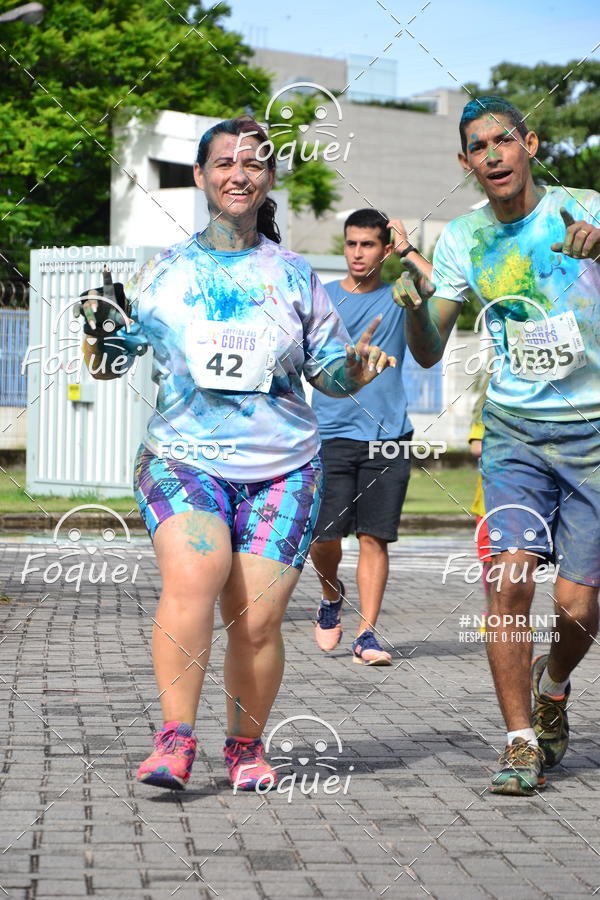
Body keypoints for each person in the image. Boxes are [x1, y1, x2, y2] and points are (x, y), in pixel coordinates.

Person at [77, 116, 395, 792]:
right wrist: (99, 338)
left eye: (253, 163)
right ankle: (175, 740)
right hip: (182, 457)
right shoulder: (164, 272)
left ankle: (245, 747)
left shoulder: (295, 275)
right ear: (201, 176)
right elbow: (109, 363)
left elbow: (328, 373)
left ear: (269, 177)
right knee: (196, 574)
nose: (238, 174)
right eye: (224, 162)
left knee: (257, 619)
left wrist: (357, 370)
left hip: (283, 467)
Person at [393, 95, 600, 795]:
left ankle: (554, 683)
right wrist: (414, 310)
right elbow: (429, 350)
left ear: (529, 145)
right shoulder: (463, 238)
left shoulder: (583, 208)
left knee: (578, 608)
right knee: (509, 583)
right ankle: (518, 742)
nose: (493, 155)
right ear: (466, 162)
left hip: (593, 434)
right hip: (514, 432)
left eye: (503, 140)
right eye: (478, 147)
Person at [310, 208, 431, 664]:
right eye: (351, 243)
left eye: (368, 244)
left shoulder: (400, 296)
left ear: (383, 250)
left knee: (373, 537)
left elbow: (440, 284)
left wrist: (407, 248)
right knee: (323, 539)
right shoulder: (322, 298)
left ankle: (367, 635)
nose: (357, 253)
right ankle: (331, 594)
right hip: (329, 433)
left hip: (388, 436)